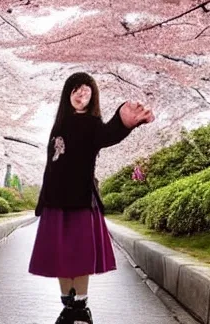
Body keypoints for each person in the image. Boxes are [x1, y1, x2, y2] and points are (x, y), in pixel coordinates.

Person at [28, 72, 155, 324]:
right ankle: (68, 305)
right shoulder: (59, 124)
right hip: (55, 200)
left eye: (86, 91)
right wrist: (42, 199)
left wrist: (124, 120)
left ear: (92, 96)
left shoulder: (92, 124)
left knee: (79, 255)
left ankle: (80, 305)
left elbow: (108, 134)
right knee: (60, 256)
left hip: (81, 199)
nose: (80, 95)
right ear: (67, 94)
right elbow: (50, 165)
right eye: (75, 90)